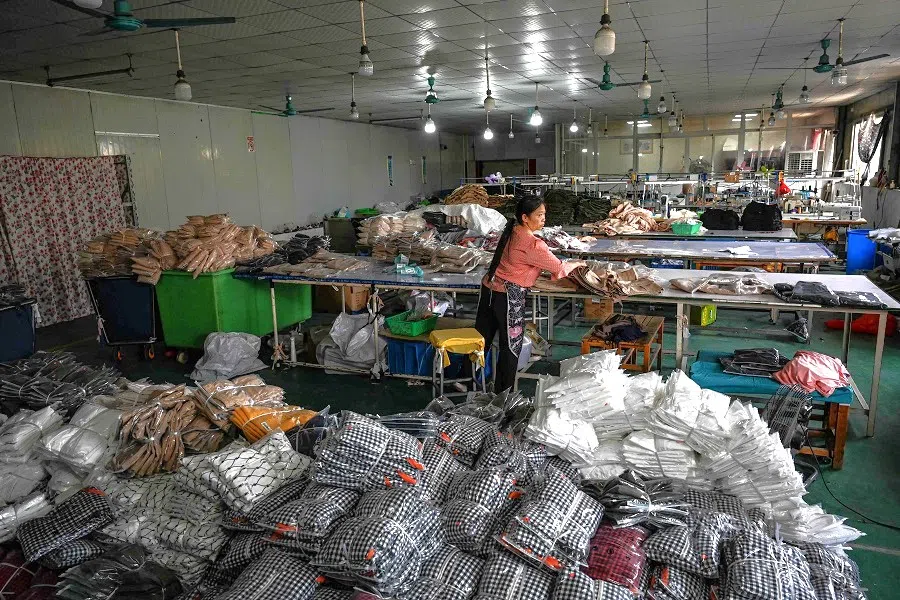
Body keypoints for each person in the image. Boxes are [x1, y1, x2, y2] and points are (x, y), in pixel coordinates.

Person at [476, 196, 585, 392]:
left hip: (489, 290)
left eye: (544, 214)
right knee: (511, 346)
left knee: (480, 341)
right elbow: (559, 268)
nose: (544, 219)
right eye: (539, 215)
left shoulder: (512, 231)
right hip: (508, 298)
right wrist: (578, 263)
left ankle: (466, 381)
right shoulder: (533, 244)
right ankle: (503, 393)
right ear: (525, 217)